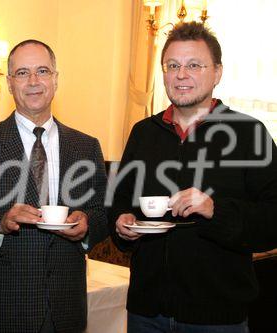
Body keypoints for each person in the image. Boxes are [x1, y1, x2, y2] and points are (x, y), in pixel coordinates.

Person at [110, 21, 277, 332]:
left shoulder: (250, 134)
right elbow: (120, 200)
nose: (181, 74)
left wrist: (215, 209)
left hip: (218, 317)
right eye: (172, 65)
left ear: (217, 72)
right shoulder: (143, 133)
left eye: (194, 65)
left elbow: (272, 221)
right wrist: (122, 223)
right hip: (146, 313)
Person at [0, 40, 108, 332]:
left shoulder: (86, 146)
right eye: (23, 73)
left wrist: (88, 223)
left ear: (56, 79)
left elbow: (102, 212)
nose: (34, 81)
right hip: (3, 308)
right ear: (9, 83)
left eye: (42, 71)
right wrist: (0, 222)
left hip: (66, 308)